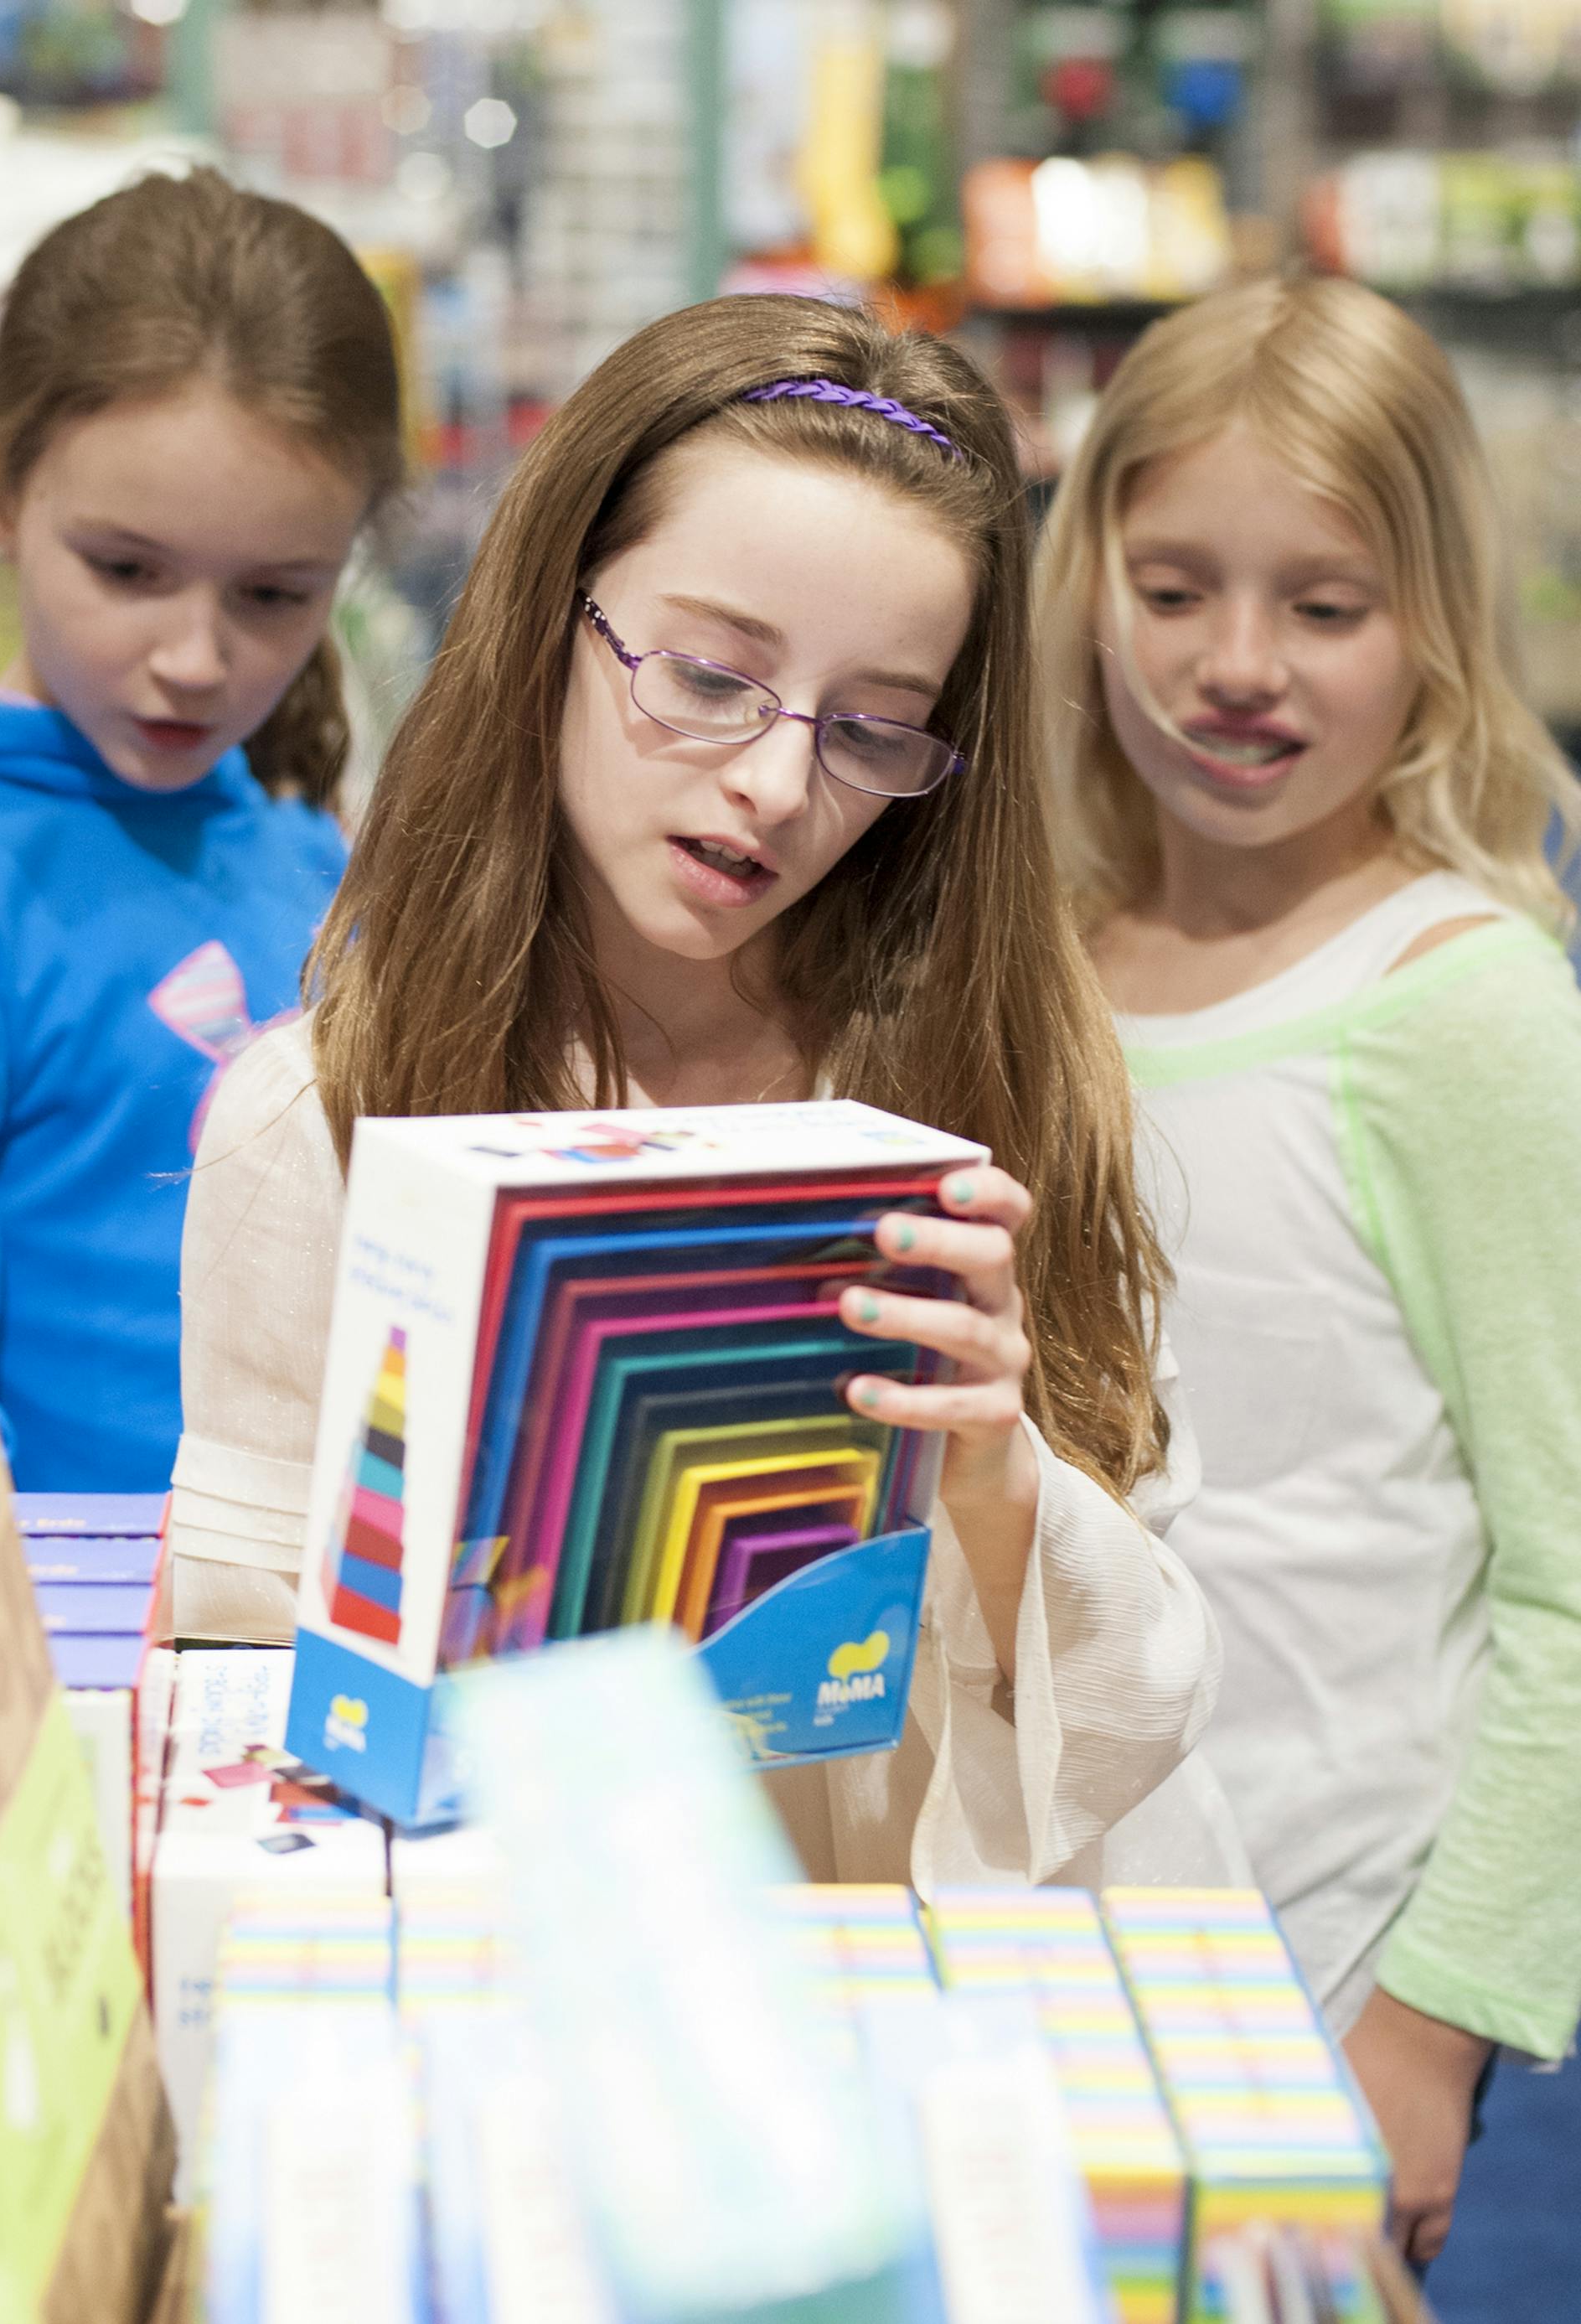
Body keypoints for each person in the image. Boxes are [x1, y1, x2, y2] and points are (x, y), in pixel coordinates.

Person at [172, 293, 1243, 1897]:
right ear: (552, 611)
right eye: (706, 674)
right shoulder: (324, 1118)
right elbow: (248, 1687)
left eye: (876, 728)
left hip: (917, 1995)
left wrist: (1001, 1479)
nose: (775, 783)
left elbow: (1131, 1703)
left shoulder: (1001, 1089)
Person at [1040, 273, 1581, 2262]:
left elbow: (1572, 1574)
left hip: (1335, 1966)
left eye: (1323, 606)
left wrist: (1433, 2026)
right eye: (1174, 588)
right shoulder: (1051, 972)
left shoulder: (1465, 1009)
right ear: (1085, 578)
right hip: (1068, 1942)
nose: (1235, 665)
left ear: (1432, 623)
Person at [0, 168, 400, 1489]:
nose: (195, 658)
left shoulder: (302, 850)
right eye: (127, 570)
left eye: (272, 592)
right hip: (77, 1664)